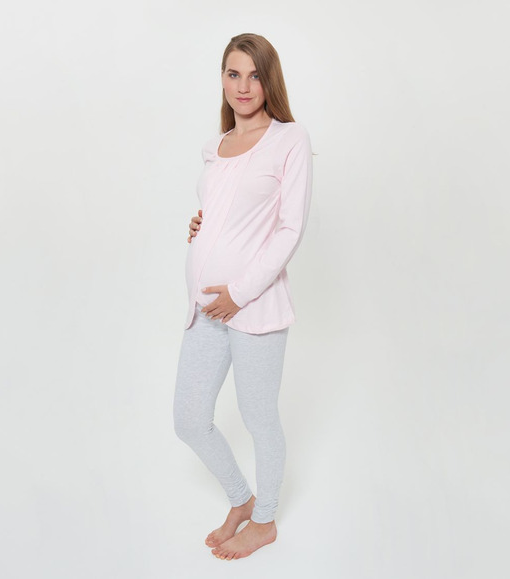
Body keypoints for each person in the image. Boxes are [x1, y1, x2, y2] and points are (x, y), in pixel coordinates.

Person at [172, 33, 313, 561]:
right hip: (205, 310)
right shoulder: (217, 145)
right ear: (222, 79)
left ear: (269, 80)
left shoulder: (289, 140)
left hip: (255, 308)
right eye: (234, 74)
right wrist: (201, 227)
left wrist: (238, 292)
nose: (244, 86)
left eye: (254, 75)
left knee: (259, 419)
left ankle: (265, 519)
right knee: (189, 420)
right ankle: (241, 499)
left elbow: (289, 229)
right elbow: (226, 214)